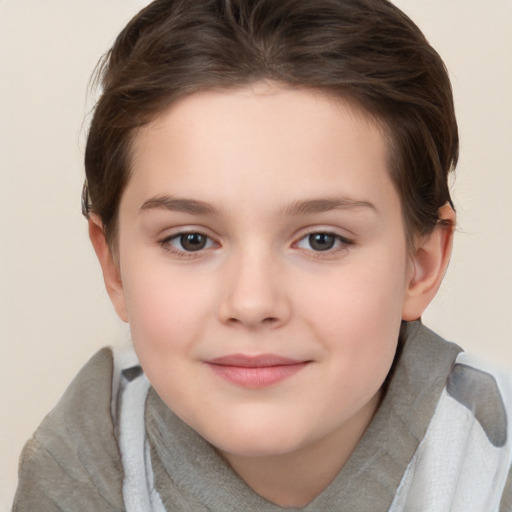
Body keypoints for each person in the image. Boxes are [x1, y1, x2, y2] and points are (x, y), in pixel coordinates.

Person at [12, 0, 512, 510]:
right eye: (191, 240)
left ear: (420, 264)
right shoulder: (81, 465)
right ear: (114, 268)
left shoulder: (493, 468)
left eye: (322, 240)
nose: (252, 303)